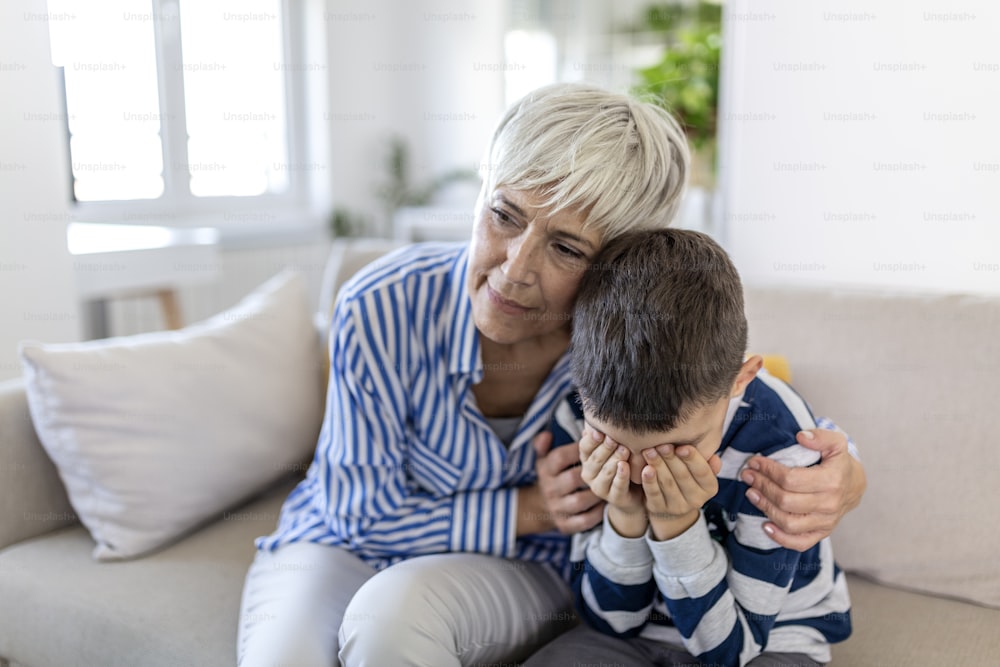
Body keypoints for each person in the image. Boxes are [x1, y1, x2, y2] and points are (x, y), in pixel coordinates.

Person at [237, 82, 865, 666]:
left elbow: (727, 392)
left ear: (617, 264)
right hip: (340, 542)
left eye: (566, 248)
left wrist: (843, 471)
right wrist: (527, 509)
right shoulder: (381, 305)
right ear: (482, 189)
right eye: (504, 214)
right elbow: (358, 513)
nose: (514, 269)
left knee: (391, 618)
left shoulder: (625, 349)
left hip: (519, 569)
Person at [525, 228, 852, 667]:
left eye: (680, 448)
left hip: (769, 642)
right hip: (631, 638)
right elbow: (611, 622)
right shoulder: (579, 418)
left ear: (741, 379)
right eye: (615, 444)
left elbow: (729, 651)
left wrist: (675, 523)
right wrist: (624, 518)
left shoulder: (781, 451)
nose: (644, 473)